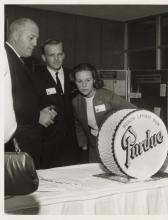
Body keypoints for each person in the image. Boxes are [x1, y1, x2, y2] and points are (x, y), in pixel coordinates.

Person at [5, 18, 57, 169]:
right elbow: (8, 101)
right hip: (18, 140)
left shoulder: (17, 59)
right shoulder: (5, 58)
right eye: (31, 38)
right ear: (15, 35)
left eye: (36, 39)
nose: (35, 43)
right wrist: (37, 116)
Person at [71, 63, 137, 163]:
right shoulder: (76, 101)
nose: (84, 85)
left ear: (94, 80)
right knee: (94, 172)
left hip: (114, 142)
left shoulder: (106, 95)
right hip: (94, 143)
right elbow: (78, 123)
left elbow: (132, 110)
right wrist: (83, 142)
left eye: (88, 80)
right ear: (75, 82)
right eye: (80, 81)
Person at [34, 39, 80, 169]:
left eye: (59, 54)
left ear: (64, 55)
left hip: (73, 144)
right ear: (43, 57)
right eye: (51, 55)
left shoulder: (74, 76)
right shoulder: (34, 78)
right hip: (47, 144)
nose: (56, 59)